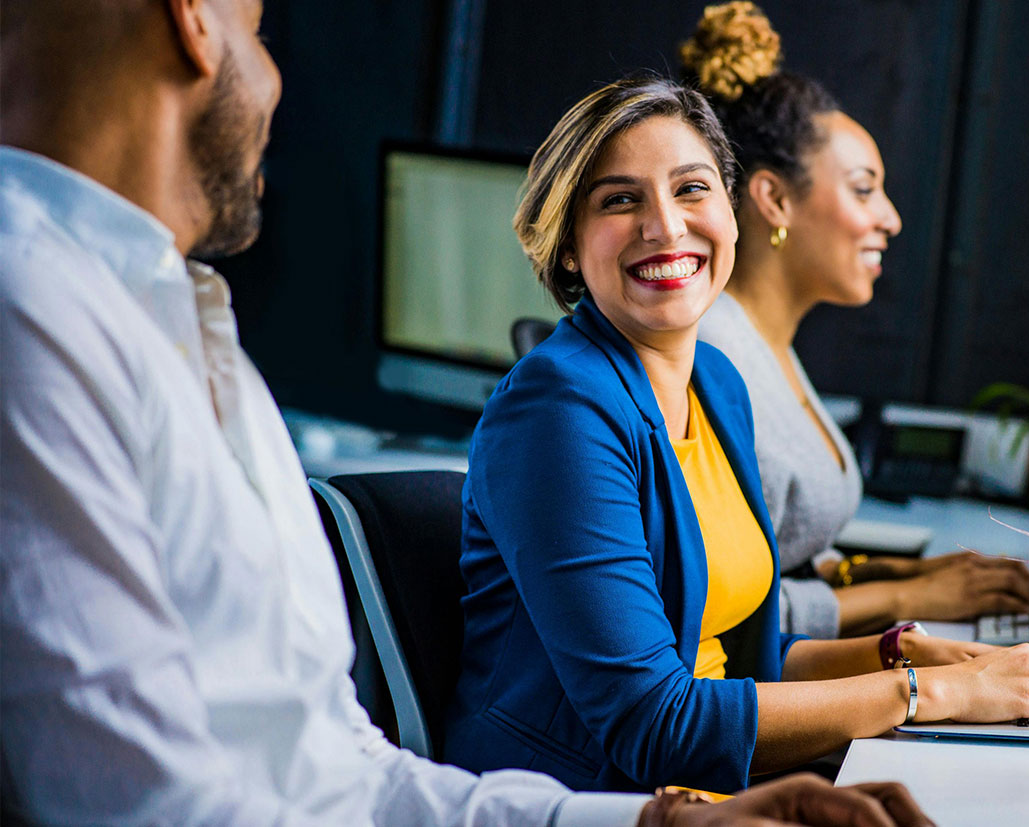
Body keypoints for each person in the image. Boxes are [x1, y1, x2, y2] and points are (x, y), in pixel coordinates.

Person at [0, 2, 935, 824]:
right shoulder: (38, 318)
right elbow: (144, 802)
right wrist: (917, 690)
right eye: (259, 29)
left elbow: (340, 765)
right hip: (619, 775)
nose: (278, 79)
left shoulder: (192, 333)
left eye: (692, 188)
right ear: (194, 19)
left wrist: (664, 822)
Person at [444, 74, 1029, 796]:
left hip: (716, 787)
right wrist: (930, 693)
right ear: (570, 245)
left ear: (731, 211)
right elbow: (653, 723)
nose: (665, 225)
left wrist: (907, 654)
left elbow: (743, 662)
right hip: (591, 801)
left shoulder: (717, 384)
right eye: (620, 200)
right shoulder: (558, 410)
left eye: (692, 189)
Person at [684, 1, 1029, 639]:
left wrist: (895, 572)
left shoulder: (766, 345)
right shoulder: (711, 357)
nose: (890, 219)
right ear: (775, 199)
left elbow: (782, 554)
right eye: (864, 188)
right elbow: (717, 610)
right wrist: (906, 597)